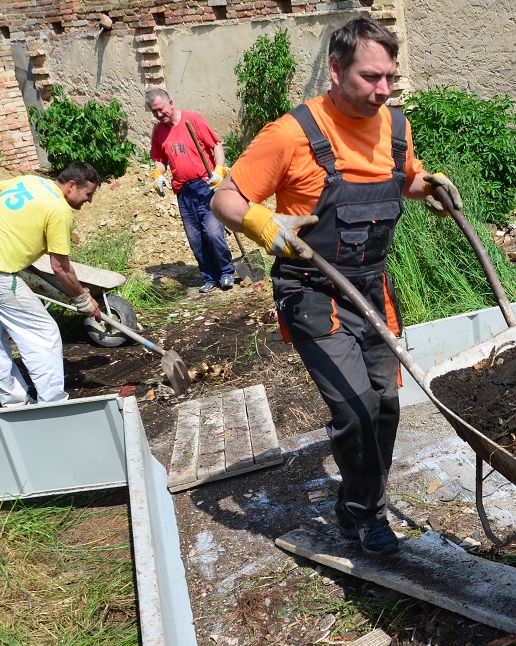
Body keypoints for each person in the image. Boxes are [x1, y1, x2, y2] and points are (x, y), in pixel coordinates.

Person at [212, 16, 463, 556]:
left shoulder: (394, 126)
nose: (383, 89)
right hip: (312, 291)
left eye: (390, 77)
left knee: (387, 404)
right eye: (371, 77)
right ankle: (368, 515)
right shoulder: (291, 134)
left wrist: (431, 187)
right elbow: (225, 198)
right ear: (335, 70)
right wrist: (262, 225)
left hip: (373, 289)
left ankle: (356, 505)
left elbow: (404, 178)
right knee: (355, 409)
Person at [0, 162, 102, 406]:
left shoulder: (30, 181)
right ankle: (53, 403)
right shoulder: (59, 209)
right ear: (72, 185)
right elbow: (60, 268)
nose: (89, 201)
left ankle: (15, 403)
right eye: (88, 194)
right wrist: (83, 299)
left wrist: (2, 228)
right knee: (42, 333)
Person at [146, 88, 235, 293]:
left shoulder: (193, 120)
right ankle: (210, 277)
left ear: (170, 103)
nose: (159, 114)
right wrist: (158, 175)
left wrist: (219, 170)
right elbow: (159, 159)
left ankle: (226, 271)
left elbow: (216, 145)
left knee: (212, 232)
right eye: (154, 111)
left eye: (161, 109)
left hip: (205, 185)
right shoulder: (159, 131)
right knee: (195, 237)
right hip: (183, 191)